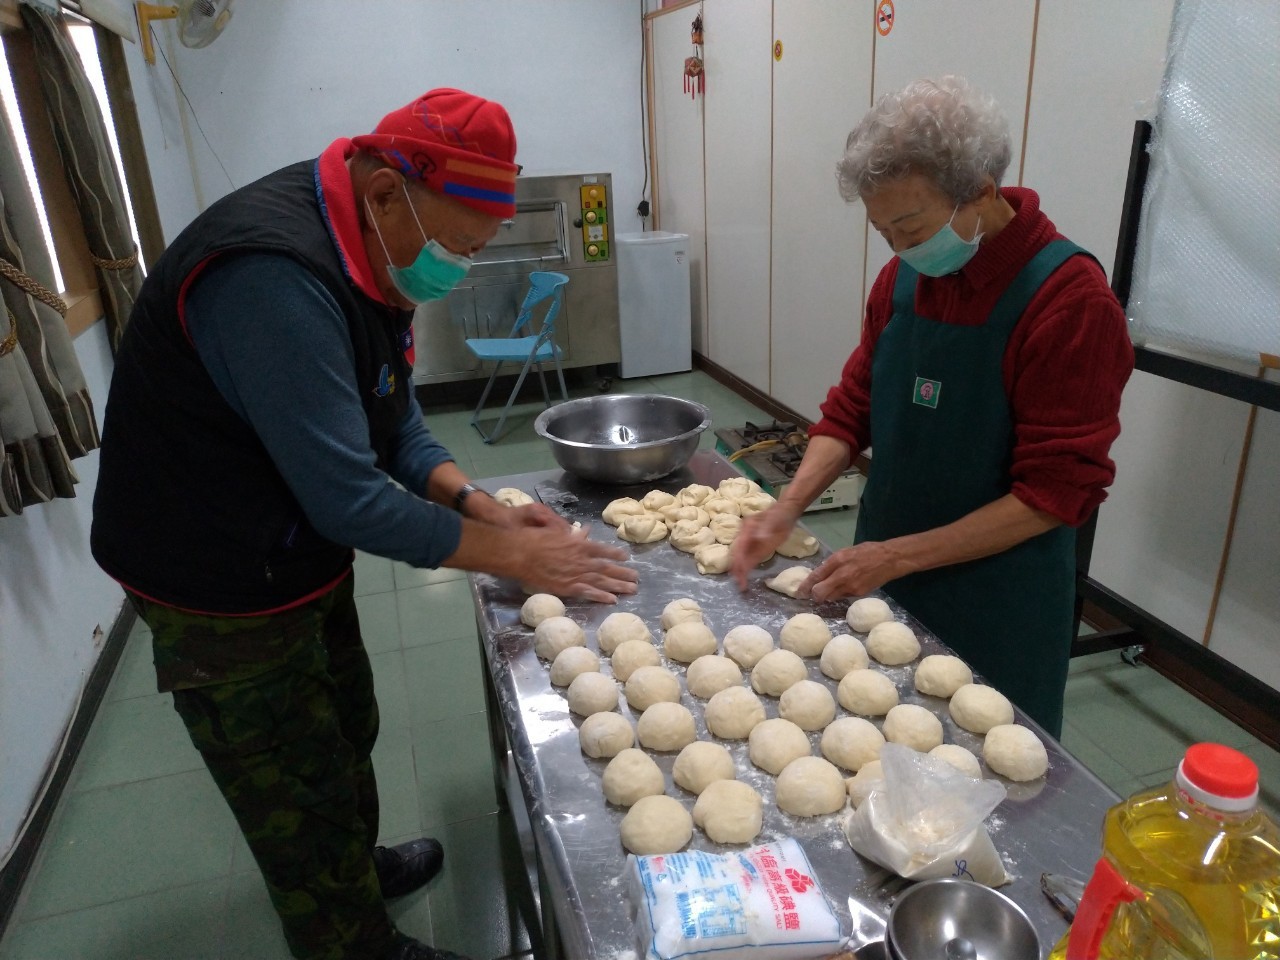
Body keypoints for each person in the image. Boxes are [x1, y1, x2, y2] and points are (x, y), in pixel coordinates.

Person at [91, 88, 636, 960]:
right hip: (215, 575)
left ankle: (351, 866)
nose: (455, 268)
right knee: (291, 772)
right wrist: (517, 556)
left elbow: (395, 422)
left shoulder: (373, 249)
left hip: (288, 545)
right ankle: (346, 939)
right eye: (456, 246)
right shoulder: (273, 279)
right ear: (386, 190)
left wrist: (480, 505)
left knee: (344, 721)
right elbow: (348, 497)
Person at [730, 76, 1133, 739]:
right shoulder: (905, 277)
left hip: (996, 598)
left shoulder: (1070, 303)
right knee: (870, 749)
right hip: (884, 566)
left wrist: (895, 557)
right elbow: (853, 404)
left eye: (910, 226)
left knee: (983, 778)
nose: (897, 248)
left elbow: (1053, 494)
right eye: (882, 229)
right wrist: (788, 504)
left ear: (979, 188)